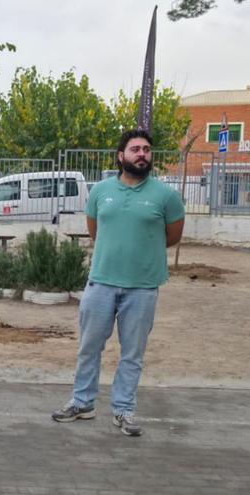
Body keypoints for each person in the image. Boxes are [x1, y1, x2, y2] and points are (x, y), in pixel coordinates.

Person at [52, 129, 185, 436]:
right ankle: (82, 403)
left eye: (147, 150)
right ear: (121, 155)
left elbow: (173, 236)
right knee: (89, 347)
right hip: (101, 283)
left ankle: (123, 410)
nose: (142, 154)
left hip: (142, 287)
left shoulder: (166, 196)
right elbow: (95, 230)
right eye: (136, 149)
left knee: (132, 353)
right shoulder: (101, 191)